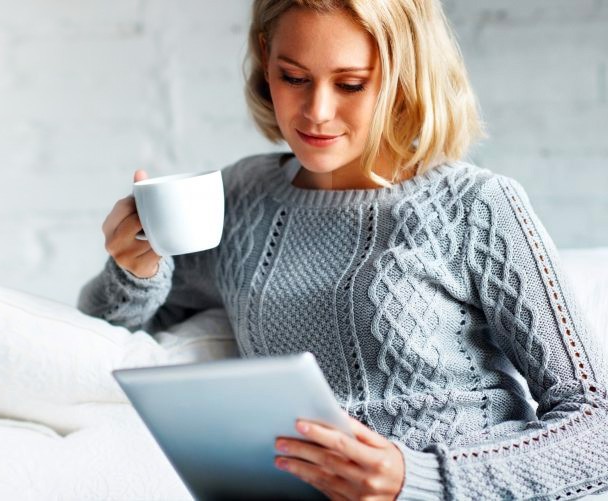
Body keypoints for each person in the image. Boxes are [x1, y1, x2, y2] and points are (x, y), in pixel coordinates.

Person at [77, 0, 608, 499]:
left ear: (405, 77)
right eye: (293, 77)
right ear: (266, 60)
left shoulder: (475, 207)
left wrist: (418, 479)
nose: (316, 112)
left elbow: (597, 426)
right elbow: (111, 334)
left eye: (351, 84)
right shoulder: (240, 199)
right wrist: (134, 269)